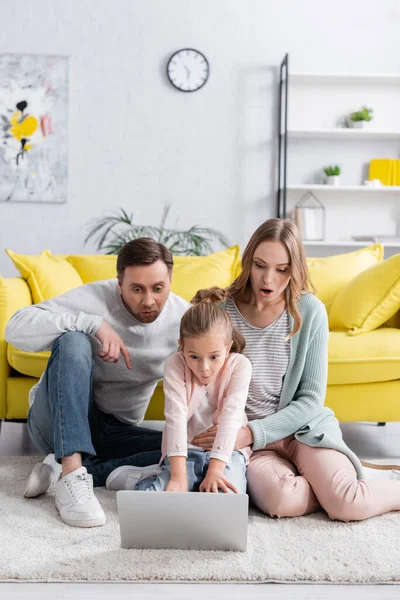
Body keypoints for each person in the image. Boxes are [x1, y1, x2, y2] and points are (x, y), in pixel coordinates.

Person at [190, 218, 400, 521]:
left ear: (295, 269)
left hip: (303, 431)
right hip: (254, 449)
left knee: (348, 505)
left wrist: (249, 433)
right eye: (260, 265)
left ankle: (352, 489)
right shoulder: (222, 310)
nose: (268, 280)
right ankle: (339, 486)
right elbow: (195, 367)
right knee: (281, 502)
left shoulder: (310, 310)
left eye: (281, 269)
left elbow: (310, 400)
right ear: (248, 261)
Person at [5, 238, 189, 527]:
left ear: (170, 280)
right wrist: (91, 323)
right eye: (136, 289)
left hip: (117, 430)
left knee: (190, 449)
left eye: (158, 288)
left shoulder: (183, 318)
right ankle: (72, 470)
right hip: (55, 423)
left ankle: (74, 469)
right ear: (119, 283)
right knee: (73, 339)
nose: (148, 300)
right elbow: (15, 328)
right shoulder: (95, 298)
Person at [105, 288, 252, 494]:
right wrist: (177, 476)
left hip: (229, 453)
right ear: (181, 346)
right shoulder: (175, 364)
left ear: (228, 348)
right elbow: (175, 418)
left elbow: (231, 418)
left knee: (226, 499)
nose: (204, 368)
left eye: (214, 357)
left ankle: (166, 474)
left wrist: (216, 471)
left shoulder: (240, 366)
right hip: (185, 451)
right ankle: (148, 478)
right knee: (164, 498)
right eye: (194, 357)